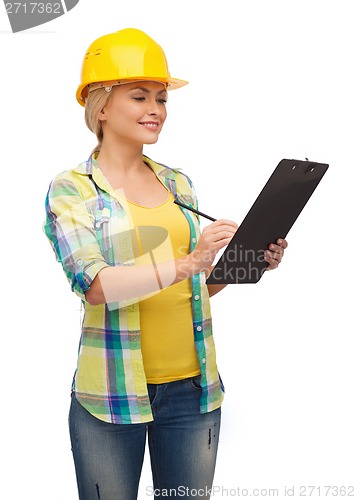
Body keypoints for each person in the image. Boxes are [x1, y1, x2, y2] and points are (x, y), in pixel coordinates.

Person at [43, 28, 288, 500]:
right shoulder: (72, 189)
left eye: (161, 98)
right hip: (111, 397)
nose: (155, 109)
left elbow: (196, 287)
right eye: (139, 97)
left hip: (194, 393)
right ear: (101, 104)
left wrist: (247, 263)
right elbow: (95, 285)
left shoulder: (178, 185)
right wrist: (187, 261)